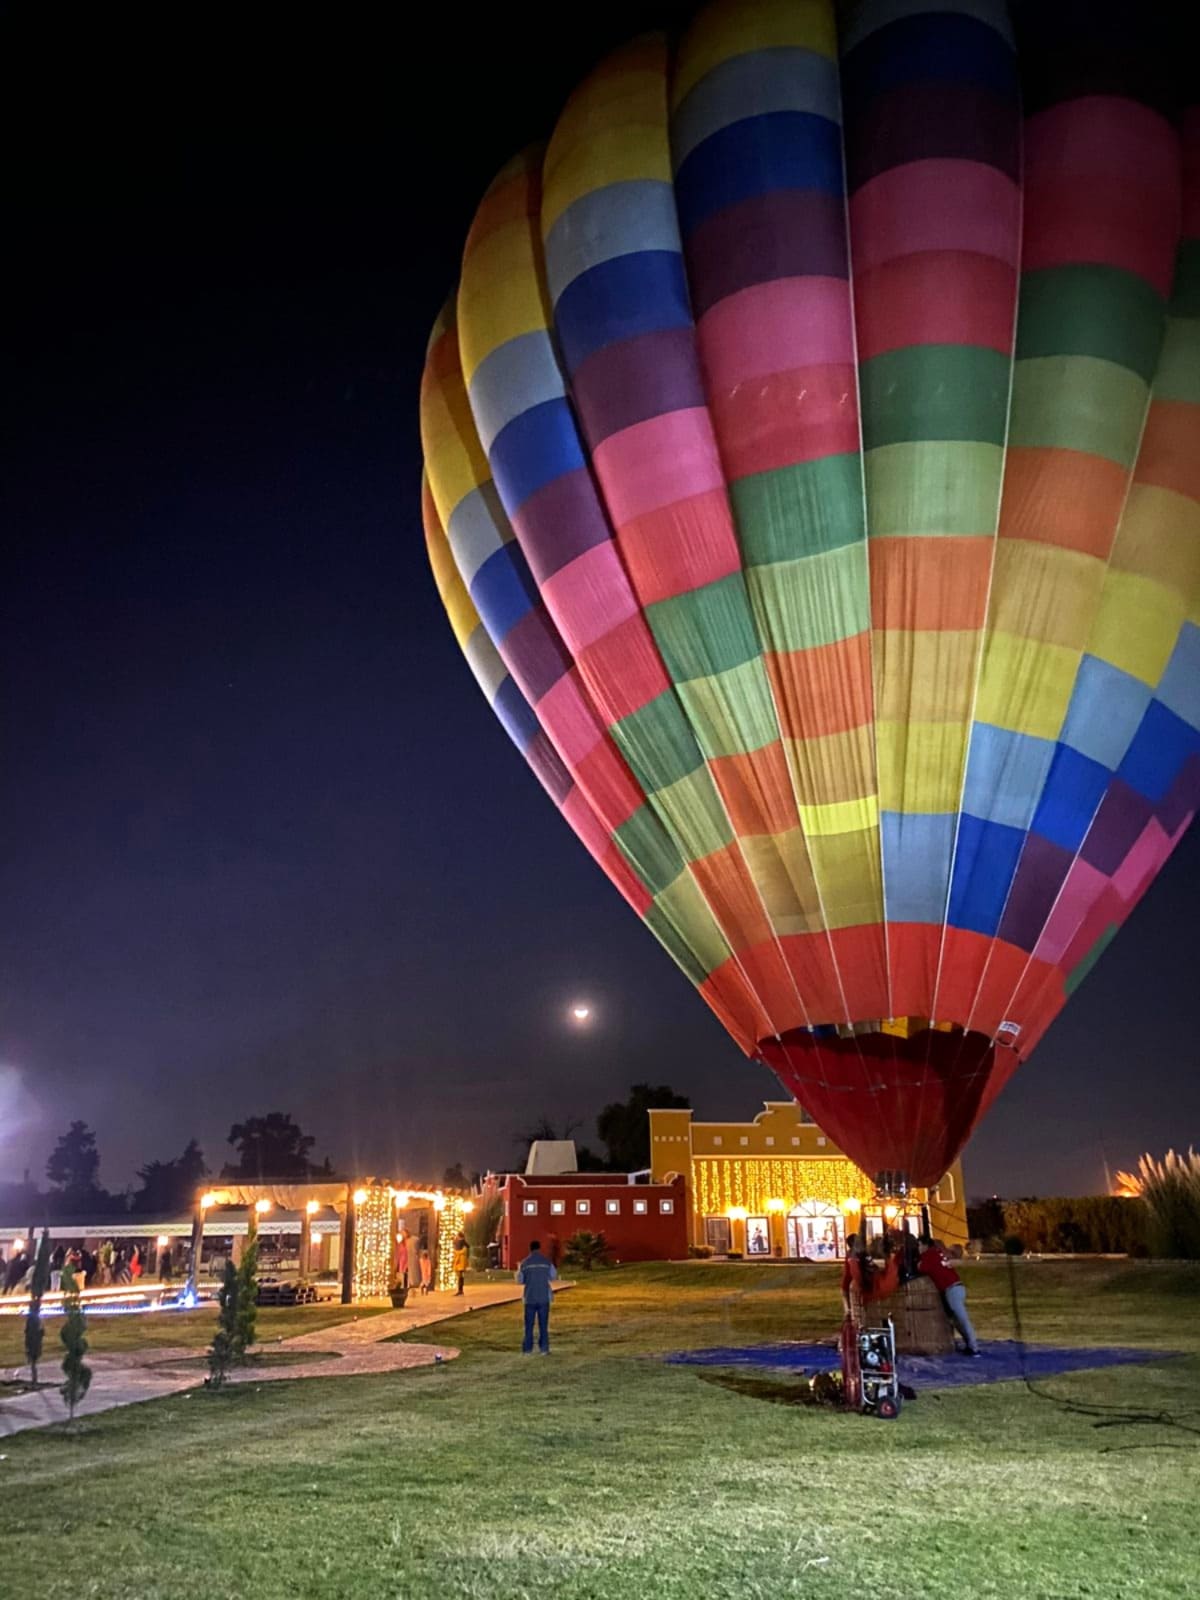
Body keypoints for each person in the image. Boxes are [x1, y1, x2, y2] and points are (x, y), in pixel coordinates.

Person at [918, 1237, 980, 1356]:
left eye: (920, 1245)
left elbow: (921, 1268)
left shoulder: (928, 1255)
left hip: (951, 1289)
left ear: (925, 1246)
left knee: (962, 1319)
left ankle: (974, 1348)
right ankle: (970, 1345)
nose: (919, 1248)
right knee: (956, 1320)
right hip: (957, 1287)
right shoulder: (937, 1253)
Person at [516, 1239, 557, 1354]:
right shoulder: (546, 1262)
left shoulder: (525, 1263)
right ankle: (544, 1348)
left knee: (529, 1325)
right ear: (539, 1248)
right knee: (543, 1325)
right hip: (544, 1297)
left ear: (530, 1249)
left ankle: (527, 1349)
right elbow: (553, 1276)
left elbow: (520, 1280)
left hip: (530, 1297)